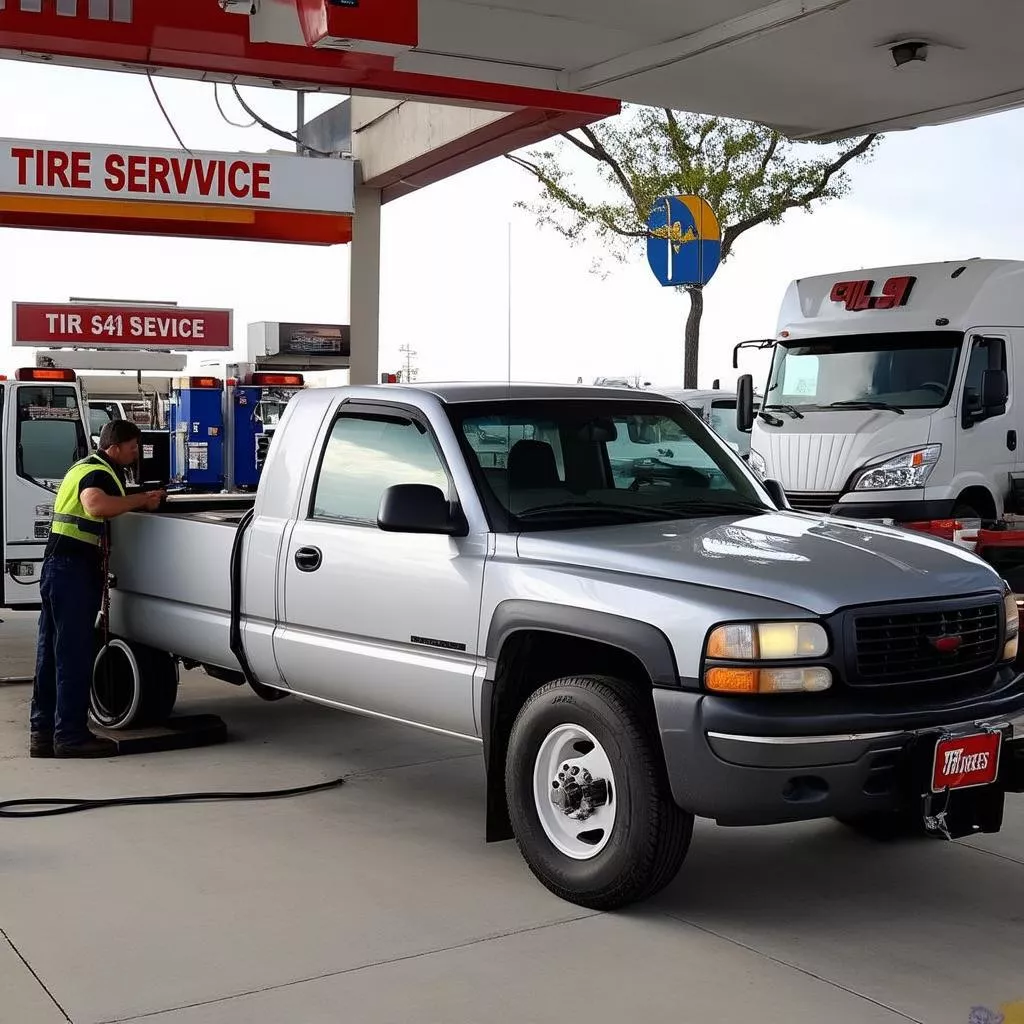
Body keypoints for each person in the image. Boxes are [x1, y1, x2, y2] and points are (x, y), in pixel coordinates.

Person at [30, 420, 166, 758]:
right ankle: (71, 737)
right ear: (115, 446)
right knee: (73, 655)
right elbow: (95, 505)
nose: (136, 454)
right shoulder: (102, 472)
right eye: (133, 448)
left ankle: (43, 734)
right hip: (72, 571)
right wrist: (142, 499)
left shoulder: (81, 465)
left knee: (50, 655)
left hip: (56, 568)